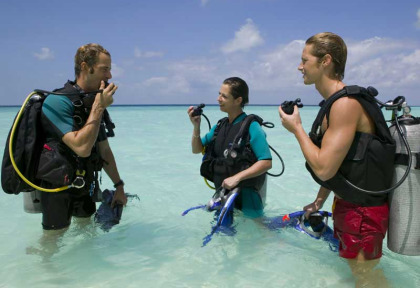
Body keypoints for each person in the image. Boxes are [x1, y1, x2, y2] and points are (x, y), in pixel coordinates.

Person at [278, 32, 392, 286]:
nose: (300, 66)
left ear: (325, 61)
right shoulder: (335, 103)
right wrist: (319, 201)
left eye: (305, 60)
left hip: (362, 213)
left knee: (366, 277)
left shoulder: (345, 105)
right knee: (361, 274)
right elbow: (344, 164)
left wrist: (296, 128)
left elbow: (325, 168)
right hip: (351, 208)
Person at [38, 43, 127, 232]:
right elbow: (82, 147)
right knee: (52, 243)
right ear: (86, 67)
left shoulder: (93, 101)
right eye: (105, 69)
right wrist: (99, 107)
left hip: (84, 184)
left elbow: (103, 150)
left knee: (88, 234)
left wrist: (119, 186)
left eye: (110, 70)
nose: (109, 76)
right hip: (57, 189)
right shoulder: (57, 101)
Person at [188, 77, 272, 218]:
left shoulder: (252, 126)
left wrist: (237, 178)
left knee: (259, 235)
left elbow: (266, 162)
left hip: (248, 197)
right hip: (224, 195)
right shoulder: (220, 126)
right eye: (219, 94)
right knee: (225, 237)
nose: (218, 99)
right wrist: (196, 126)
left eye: (224, 96)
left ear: (238, 100)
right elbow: (196, 149)